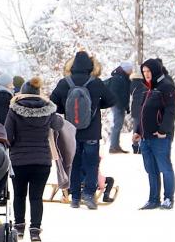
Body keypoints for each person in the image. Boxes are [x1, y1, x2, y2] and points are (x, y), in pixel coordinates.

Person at [49, 51, 115, 210]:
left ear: (72, 66)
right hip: (92, 131)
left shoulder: (64, 83)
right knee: (92, 163)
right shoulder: (96, 82)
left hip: (71, 131)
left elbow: (52, 104)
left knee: (74, 163)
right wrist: (96, 106)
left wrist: (67, 109)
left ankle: (75, 198)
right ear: (90, 66)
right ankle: (89, 195)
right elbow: (112, 100)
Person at [5, 77, 53, 242]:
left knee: (19, 195)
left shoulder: (14, 110)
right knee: (36, 197)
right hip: (42, 161)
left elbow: (7, 137)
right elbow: (59, 125)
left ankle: (19, 228)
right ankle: (35, 231)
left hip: (19, 161)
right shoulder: (48, 110)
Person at [134, 57, 175, 210]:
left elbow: (171, 111)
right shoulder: (148, 88)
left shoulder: (166, 86)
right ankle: (153, 199)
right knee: (151, 169)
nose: (146, 74)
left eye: (148, 71)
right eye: (144, 71)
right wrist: (138, 131)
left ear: (155, 70)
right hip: (146, 137)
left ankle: (168, 198)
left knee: (165, 168)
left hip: (160, 137)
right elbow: (143, 112)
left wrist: (163, 130)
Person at [106, 60, 133, 153]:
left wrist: (126, 107)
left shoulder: (124, 78)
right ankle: (113, 146)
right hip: (117, 105)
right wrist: (120, 105)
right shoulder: (118, 78)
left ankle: (115, 145)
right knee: (117, 125)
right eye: (130, 69)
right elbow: (116, 93)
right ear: (126, 69)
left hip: (119, 105)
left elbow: (125, 94)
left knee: (118, 125)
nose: (132, 71)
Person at [129, 73, 146, 154]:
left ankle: (135, 146)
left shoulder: (131, 85)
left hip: (135, 108)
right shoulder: (144, 85)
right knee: (143, 128)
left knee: (136, 128)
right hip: (143, 108)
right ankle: (142, 146)